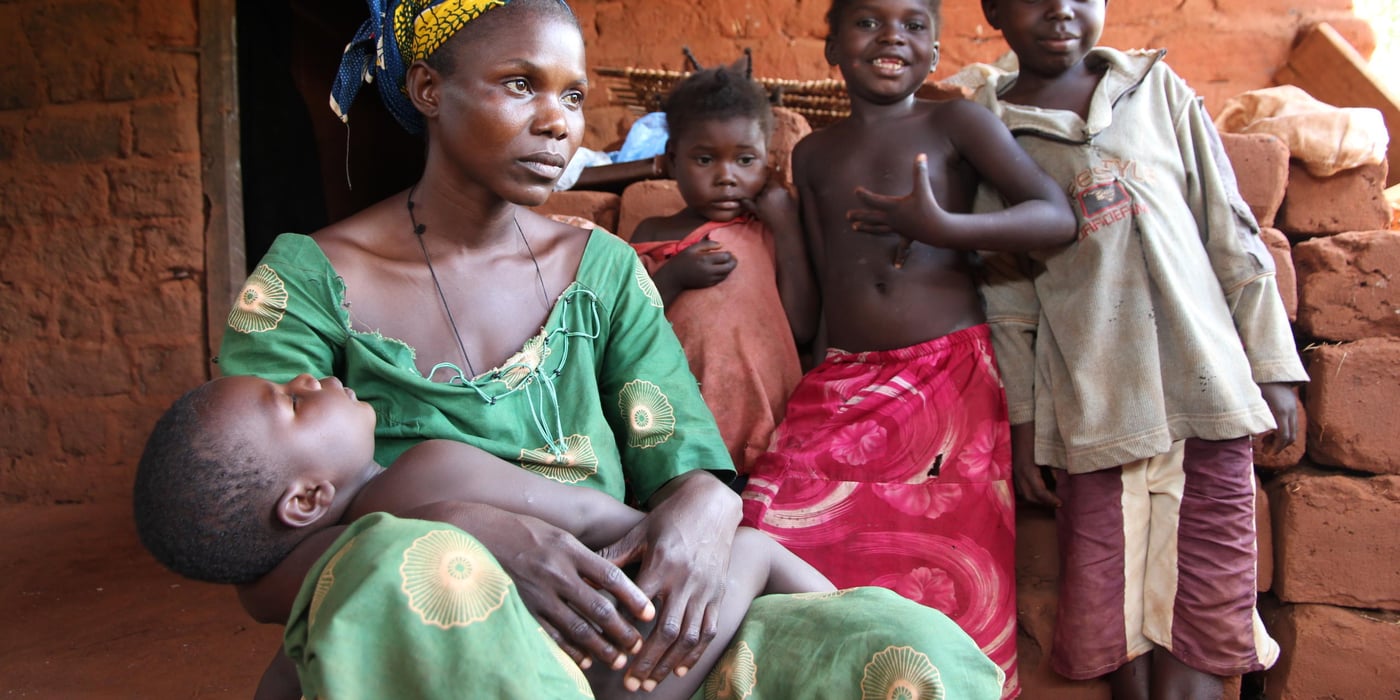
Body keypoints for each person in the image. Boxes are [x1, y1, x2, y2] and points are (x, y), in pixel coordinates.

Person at [214, 0, 1006, 698]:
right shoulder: (308, 281)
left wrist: (706, 504)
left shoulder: (603, 268)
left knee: (906, 656)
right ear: (429, 90)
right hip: (435, 640)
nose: (559, 121)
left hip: (622, 628)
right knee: (420, 583)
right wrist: (464, 533)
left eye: (573, 95)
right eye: (520, 84)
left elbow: (687, 470)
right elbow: (259, 567)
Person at [966, 0, 1309, 697]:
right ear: (994, 9)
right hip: (1095, 418)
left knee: (1206, 624)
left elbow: (1231, 229)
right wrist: (1026, 419)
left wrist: (1271, 364)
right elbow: (1007, 296)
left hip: (1207, 397)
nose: (1061, 7)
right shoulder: (991, 128)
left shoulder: (1156, 89)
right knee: (1116, 635)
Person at [737, 0, 1079, 696]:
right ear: (831, 47)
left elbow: (1056, 216)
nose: (892, 35)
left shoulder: (957, 122)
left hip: (949, 380)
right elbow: (823, 288)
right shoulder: (814, 153)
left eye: (914, 25)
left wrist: (942, 225)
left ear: (934, 51)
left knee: (951, 570)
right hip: (842, 381)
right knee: (767, 521)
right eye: (867, 22)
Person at [132, 373, 836, 700]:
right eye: (291, 400)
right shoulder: (425, 474)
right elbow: (612, 528)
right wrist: (695, 524)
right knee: (756, 550)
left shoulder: (307, 617)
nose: (313, 378)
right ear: (307, 498)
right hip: (648, 657)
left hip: (618, 669)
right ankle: (851, 610)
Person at [628, 58, 808, 474]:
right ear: (672, 160)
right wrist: (672, 277)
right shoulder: (651, 230)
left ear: (768, 160)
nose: (726, 176)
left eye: (745, 160)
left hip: (766, 425)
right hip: (678, 428)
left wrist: (787, 228)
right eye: (705, 160)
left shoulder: (768, 232)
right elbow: (626, 330)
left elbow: (800, 326)